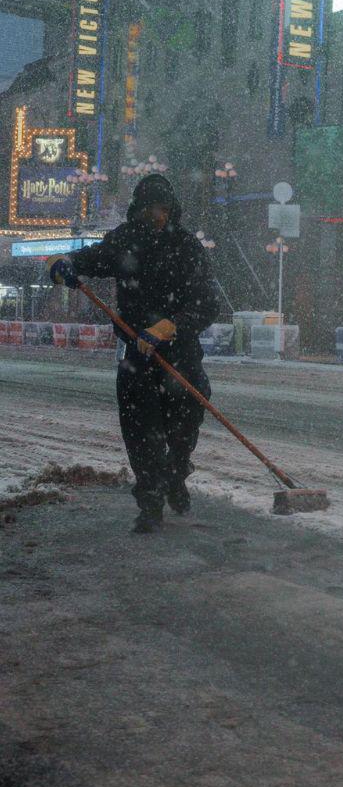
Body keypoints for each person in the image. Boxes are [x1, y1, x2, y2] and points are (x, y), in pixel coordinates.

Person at [45, 174, 220, 533]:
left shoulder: (186, 247)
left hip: (180, 354)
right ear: (139, 210)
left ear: (172, 210)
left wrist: (169, 326)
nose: (157, 215)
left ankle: (175, 473)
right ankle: (150, 502)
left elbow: (207, 303)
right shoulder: (124, 241)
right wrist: (63, 264)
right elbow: (88, 259)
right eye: (151, 208)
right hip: (137, 356)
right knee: (142, 434)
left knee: (186, 422)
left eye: (163, 209)